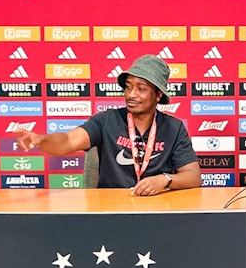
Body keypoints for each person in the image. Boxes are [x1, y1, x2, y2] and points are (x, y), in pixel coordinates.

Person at [14, 55, 201, 195]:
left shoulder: (173, 128)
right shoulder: (106, 121)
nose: (131, 94)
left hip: (157, 211)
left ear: (158, 94)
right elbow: (67, 141)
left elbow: (193, 176)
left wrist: (164, 180)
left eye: (141, 88)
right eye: (128, 87)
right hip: (110, 210)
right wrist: (41, 140)